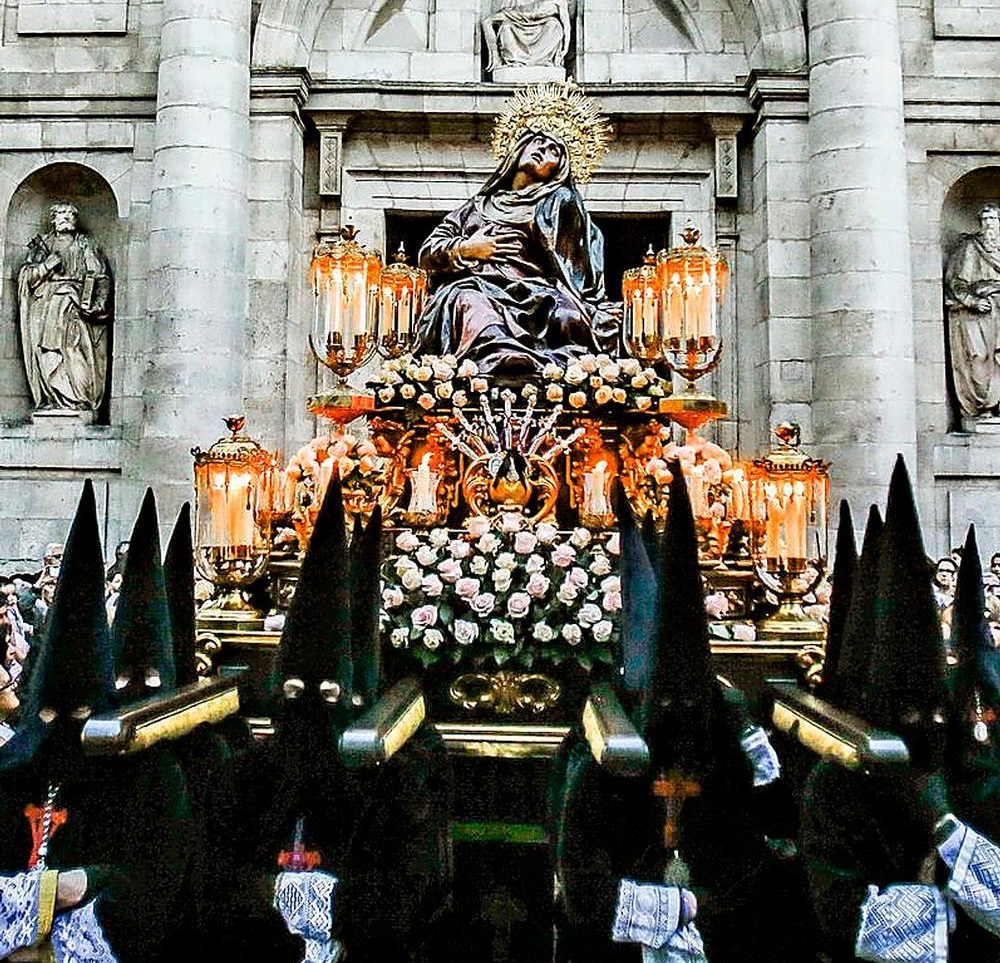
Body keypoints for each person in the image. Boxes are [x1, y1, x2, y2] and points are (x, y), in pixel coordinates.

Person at [552, 470, 815, 963]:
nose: (676, 710)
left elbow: (778, 834)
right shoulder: (597, 761)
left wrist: (759, 759)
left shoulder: (728, 751)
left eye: (688, 700)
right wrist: (685, 904)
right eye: (665, 701)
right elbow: (583, 885)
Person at [801, 457, 1000, 963]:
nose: (923, 727)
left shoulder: (977, 773)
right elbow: (841, 913)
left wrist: (944, 827)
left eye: (933, 714)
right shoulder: (836, 782)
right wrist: (944, 909)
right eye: (907, 716)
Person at [0, 480, 192, 963]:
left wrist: (90, 883)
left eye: (81, 714)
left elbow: (159, 881)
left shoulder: (149, 776)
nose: (60, 724)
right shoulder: (10, 768)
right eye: (46, 714)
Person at [415, 103, 621, 374]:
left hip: (537, 294)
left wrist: (593, 306)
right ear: (519, 148)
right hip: (478, 288)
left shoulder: (559, 202)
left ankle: (535, 367)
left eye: (553, 151)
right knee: (471, 304)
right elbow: (427, 253)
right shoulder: (477, 207)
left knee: (566, 315)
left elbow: (577, 269)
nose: (541, 150)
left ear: (558, 169)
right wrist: (469, 248)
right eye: (537, 141)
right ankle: (501, 358)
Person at [17, 202, 112, 412]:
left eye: (70, 215)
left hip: (74, 306)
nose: (66, 218)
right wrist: (46, 266)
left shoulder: (85, 244)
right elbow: (27, 278)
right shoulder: (43, 244)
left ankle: (78, 400)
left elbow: (101, 277)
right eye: (61, 214)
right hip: (43, 308)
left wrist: (98, 303)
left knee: (73, 350)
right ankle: (55, 398)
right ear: (53, 219)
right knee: (48, 353)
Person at [945, 202, 1000, 418]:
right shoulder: (970, 248)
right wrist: (973, 301)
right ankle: (984, 406)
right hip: (978, 313)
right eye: (985, 219)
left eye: (993, 219)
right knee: (978, 357)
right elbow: (957, 282)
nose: (989, 224)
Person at [482, 0, 571, 73]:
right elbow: (486, 21)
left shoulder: (560, 2)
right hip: (516, 16)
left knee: (554, 25)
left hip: (540, 25)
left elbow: (567, 26)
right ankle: (500, 60)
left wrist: (565, 48)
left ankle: (543, 61)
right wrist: (495, 55)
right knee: (502, 26)